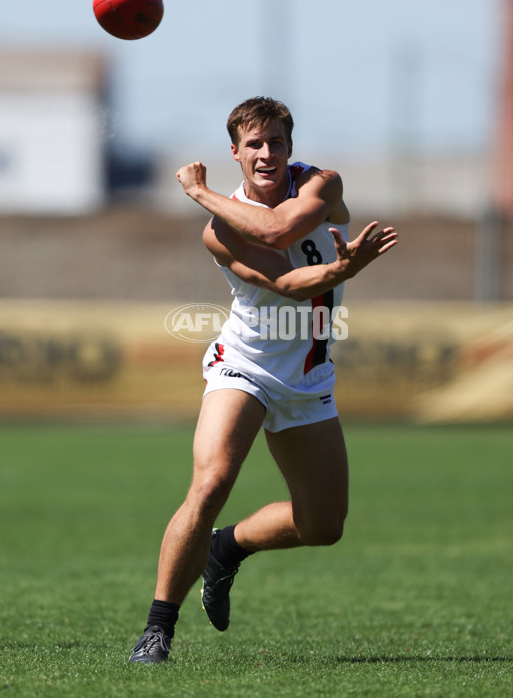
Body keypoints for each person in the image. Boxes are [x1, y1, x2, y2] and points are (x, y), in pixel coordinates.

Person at [129, 96, 398, 663]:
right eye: (254, 143)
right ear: (236, 153)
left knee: (324, 525)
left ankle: (228, 548)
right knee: (210, 483)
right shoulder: (217, 230)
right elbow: (286, 280)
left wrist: (341, 270)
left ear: (290, 147)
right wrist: (343, 270)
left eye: (276, 141)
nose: (267, 152)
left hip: (307, 376)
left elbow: (281, 229)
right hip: (243, 363)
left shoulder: (322, 184)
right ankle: (157, 631)